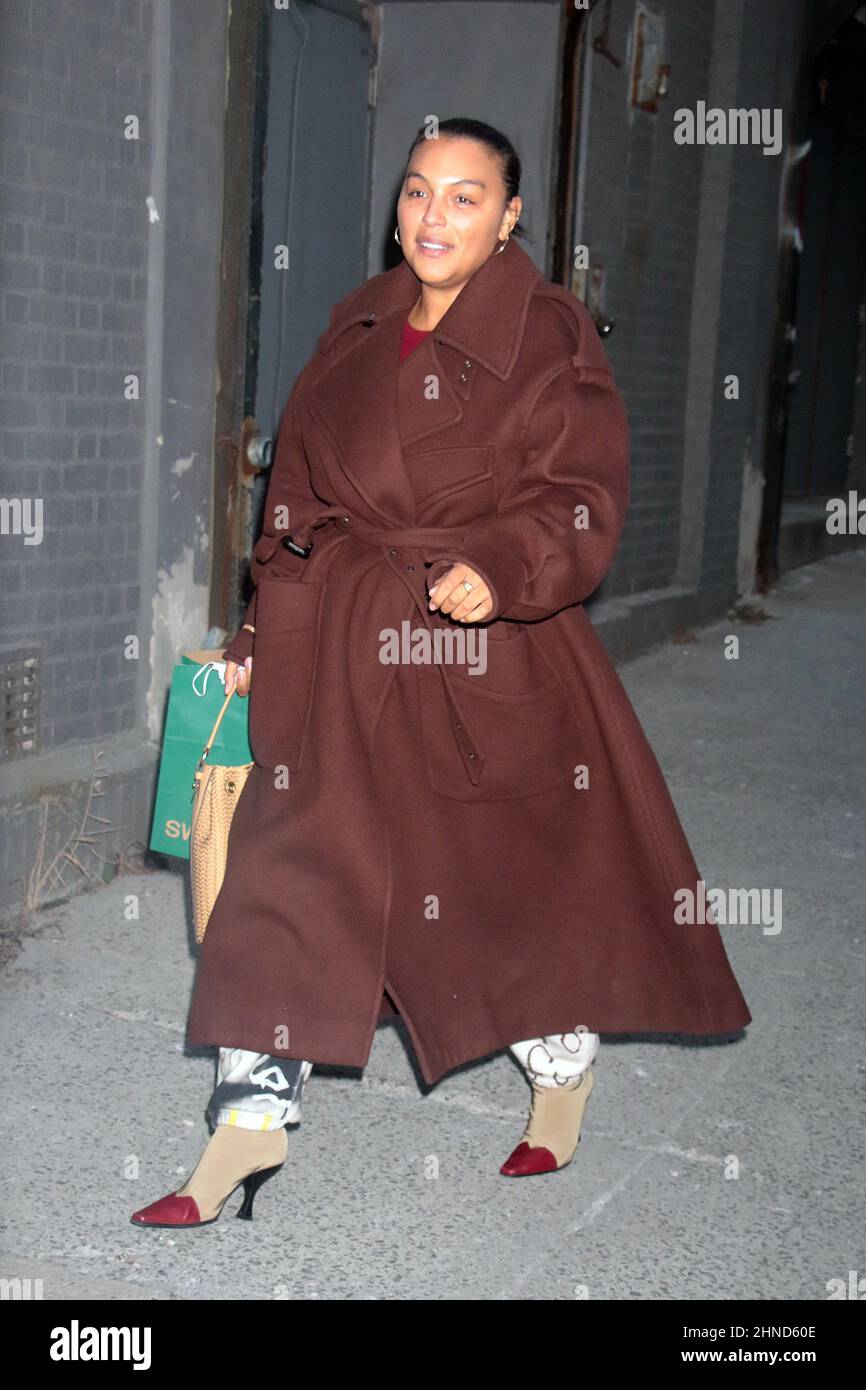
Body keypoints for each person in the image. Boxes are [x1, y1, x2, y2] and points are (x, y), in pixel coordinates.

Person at [132, 117, 750, 1228]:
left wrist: (500, 564)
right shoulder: (356, 324)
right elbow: (299, 507)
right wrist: (256, 641)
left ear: (510, 217)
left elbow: (581, 496)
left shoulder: (547, 333)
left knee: (492, 899)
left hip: (477, 657)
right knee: (289, 878)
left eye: (466, 198)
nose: (432, 217)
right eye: (418, 192)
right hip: (337, 657)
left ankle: (561, 1073)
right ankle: (246, 1124)